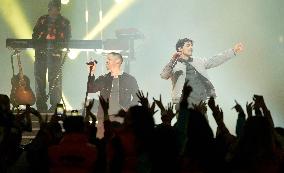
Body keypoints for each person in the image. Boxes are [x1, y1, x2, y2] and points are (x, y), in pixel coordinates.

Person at [161, 37, 244, 109]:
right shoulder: (174, 64)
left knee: (202, 127)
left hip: (200, 103)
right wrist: (172, 60)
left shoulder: (198, 61)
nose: (191, 48)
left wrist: (233, 51)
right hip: (183, 104)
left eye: (191, 45)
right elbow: (164, 75)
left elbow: (215, 60)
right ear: (180, 48)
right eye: (188, 45)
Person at [32, 0, 71, 112]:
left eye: (56, 8)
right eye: (52, 8)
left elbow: (68, 38)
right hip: (41, 54)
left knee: (55, 80)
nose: (54, 11)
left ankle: (54, 107)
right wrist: (38, 43)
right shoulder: (42, 20)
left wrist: (61, 43)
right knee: (39, 79)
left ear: (59, 9)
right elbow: (34, 35)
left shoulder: (64, 22)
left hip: (55, 55)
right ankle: (41, 106)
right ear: (49, 9)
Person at [87, 52, 139, 122]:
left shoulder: (129, 79)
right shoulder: (103, 79)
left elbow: (137, 97)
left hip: (122, 118)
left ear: (117, 62)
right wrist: (91, 73)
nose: (106, 62)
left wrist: (127, 109)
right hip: (105, 118)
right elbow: (90, 89)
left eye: (109, 60)